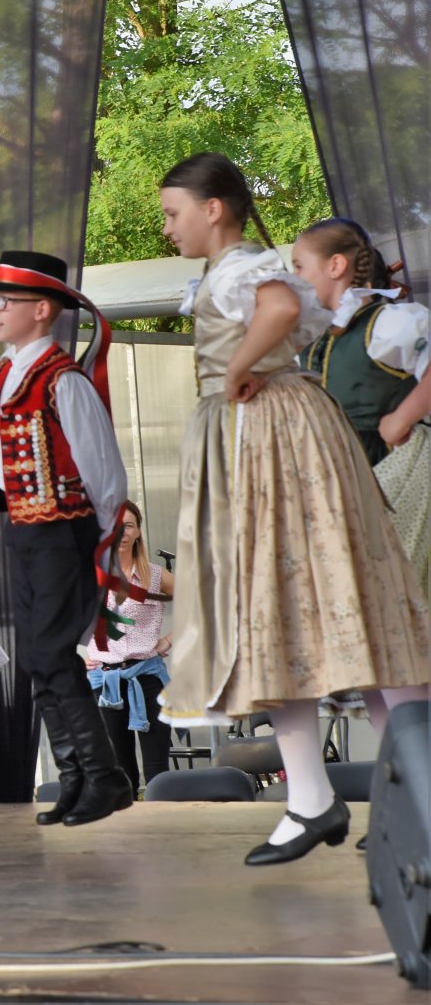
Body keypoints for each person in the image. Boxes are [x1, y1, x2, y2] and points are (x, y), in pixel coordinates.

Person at [157, 152, 429, 865]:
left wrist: (241, 368)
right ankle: (323, 796)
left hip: (272, 442)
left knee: (299, 600)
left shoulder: (247, 267)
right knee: (303, 612)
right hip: (271, 439)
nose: (167, 227)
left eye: (173, 212)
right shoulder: (229, 273)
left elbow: (279, 309)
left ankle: (377, 794)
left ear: (213, 208)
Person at [0, 250, 133, 828]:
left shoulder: (62, 379)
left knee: (53, 655)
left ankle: (104, 777)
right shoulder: (7, 373)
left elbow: (103, 471)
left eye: (3, 301)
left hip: (63, 529)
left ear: (41, 309)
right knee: (35, 656)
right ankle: (79, 776)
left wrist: (104, 542)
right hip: (26, 528)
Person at [291, 218, 430, 605]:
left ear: (336, 266)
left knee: (388, 596)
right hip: (334, 474)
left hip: (386, 469)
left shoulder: (389, 324)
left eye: (300, 266)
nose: (295, 278)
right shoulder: (314, 336)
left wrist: (401, 418)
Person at [84, 506, 173, 793]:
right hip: (105, 681)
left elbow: (202, 602)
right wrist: (83, 652)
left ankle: (164, 831)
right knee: (119, 769)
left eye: (130, 526)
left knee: (157, 769)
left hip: (148, 678)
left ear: (138, 532)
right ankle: (126, 833)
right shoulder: (89, 574)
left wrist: (170, 639)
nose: (122, 533)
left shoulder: (155, 576)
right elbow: (64, 613)